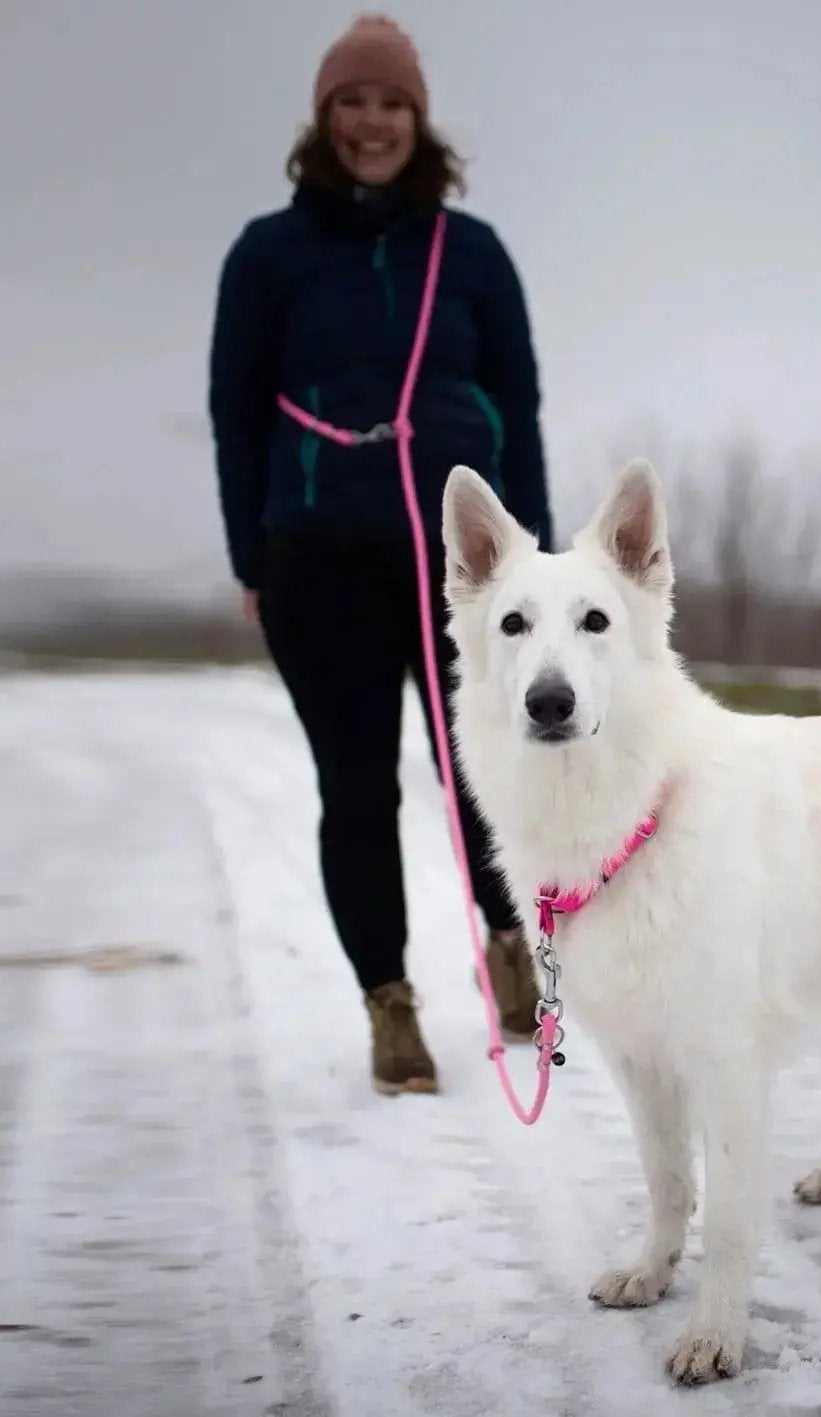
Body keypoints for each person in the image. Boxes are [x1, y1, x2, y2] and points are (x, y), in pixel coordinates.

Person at [207, 13, 551, 1096]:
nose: (373, 122)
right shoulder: (268, 255)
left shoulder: (472, 253)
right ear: (324, 119)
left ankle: (511, 945)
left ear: (419, 119)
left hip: (468, 575)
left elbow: (518, 408)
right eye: (353, 102)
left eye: (392, 103)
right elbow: (234, 414)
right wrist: (253, 557)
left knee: (481, 768)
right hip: (317, 556)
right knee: (356, 788)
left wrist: (536, 567)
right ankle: (389, 1003)